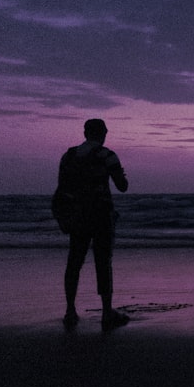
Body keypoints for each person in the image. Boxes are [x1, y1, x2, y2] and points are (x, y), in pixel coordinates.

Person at [61, 119, 129, 329]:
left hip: (78, 215)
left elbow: (63, 187)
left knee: (74, 262)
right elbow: (122, 186)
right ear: (103, 133)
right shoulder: (107, 155)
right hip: (101, 215)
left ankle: (70, 310)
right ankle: (106, 312)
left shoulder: (69, 156)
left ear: (85, 133)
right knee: (103, 262)